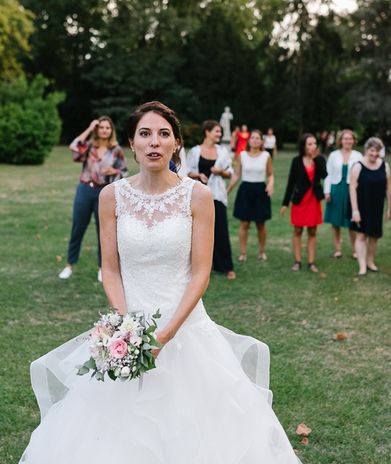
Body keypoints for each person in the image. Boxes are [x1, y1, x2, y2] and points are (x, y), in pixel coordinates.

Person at [20, 101, 300, 463]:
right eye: (145, 134)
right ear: (132, 145)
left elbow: (200, 273)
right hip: (129, 328)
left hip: (186, 329)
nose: (154, 142)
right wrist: (126, 329)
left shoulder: (198, 196)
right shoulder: (111, 197)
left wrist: (164, 335)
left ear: (176, 144)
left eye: (163, 134)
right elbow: (111, 269)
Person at [58, 117, 128, 282]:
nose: (104, 130)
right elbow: (74, 146)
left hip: (104, 193)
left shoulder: (116, 150)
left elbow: (124, 172)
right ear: (97, 130)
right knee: (78, 228)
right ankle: (69, 265)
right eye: (101, 127)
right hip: (84, 190)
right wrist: (90, 128)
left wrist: (114, 171)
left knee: (103, 232)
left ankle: (102, 268)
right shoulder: (89, 146)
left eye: (107, 128)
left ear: (111, 131)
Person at [186, 120, 236, 279]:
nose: (219, 134)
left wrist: (220, 171)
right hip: (198, 197)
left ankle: (226, 266)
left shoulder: (223, 151)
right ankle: (200, 268)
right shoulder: (195, 151)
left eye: (220, 132)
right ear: (207, 132)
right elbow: (186, 173)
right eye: (217, 131)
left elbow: (230, 173)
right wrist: (198, 175)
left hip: (217, 195)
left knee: (221, 230)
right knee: (197, 233)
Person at [280, 133, 327, 272]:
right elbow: (291, 183)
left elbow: (325, 175)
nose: (313, 146)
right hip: (300, 200)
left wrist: (316, 159)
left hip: (314, 199)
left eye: (314, 143)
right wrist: (285, 203)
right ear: (303, 146)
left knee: (312, 231)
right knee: (298, 230)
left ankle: (311, 262)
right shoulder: (296, 161)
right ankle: (297, 261)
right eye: (310, 144)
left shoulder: (320, 159)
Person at [227, 130, 274, 261]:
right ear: (249, 140)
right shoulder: (242, 155)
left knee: (261, 224)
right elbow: (237, 174)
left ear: (261, 141)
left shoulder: (266, 155)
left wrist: (271, 184)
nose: (254, 140)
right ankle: (243, 253)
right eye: (252, 137)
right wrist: (228, 189)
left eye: (257, 138)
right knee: (244, 224)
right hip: (245, 190)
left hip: (260, 190)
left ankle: (262, 251)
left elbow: (270, 174)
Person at [349, 137, 391, 276]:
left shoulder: (385, 166)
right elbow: (352, 189)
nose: (374, 154)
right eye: (372, 151)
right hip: (361, 206)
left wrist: (389, 208)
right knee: (361, 235)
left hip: (377, 206)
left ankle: (370, 261)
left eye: (377, 151)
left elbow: (388, 189)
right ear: (367, 150)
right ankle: (362, 266)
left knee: (374, 236)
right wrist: (355, 210)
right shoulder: (358, 166)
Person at [324, 129, 363, 259]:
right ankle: (338, 249)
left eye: (350, 139)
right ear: (340, 141)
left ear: (354, 141)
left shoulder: (358, 155)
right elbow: (328, 174)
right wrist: (327, 191)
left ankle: (354, 250)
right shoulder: (333, 155)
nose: (348, 141)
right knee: (335, 221)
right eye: (345, 139)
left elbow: (362, 175)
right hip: (335, 189)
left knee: (351, 221)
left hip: (352, 191)